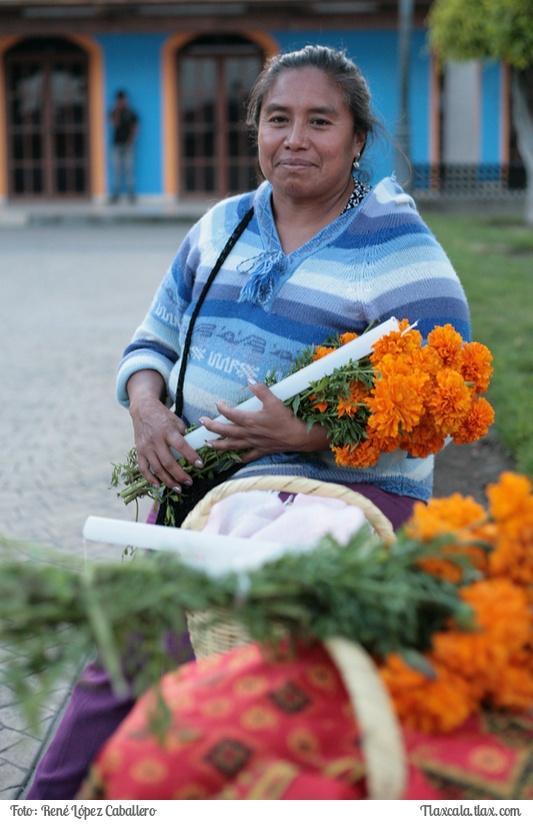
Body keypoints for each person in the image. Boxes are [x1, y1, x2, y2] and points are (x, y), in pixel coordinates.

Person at [27, 44, 471, 800]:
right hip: (203, 492)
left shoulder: (392, 245)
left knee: (199, 653)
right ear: (254, 128)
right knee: (121, 650)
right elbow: (151, 341)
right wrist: (147, 410)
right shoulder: (221, 227)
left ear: (356, 138)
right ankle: (46, 805)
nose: (294, 138)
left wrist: (306, 439)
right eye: (278, 119)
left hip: (339, 503)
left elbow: (444, 399)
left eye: (319, 121)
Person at [109, 90, 138, 203]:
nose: (122, 102)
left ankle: (131, 195)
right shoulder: (114, 112)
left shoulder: (131, 113)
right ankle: (115, 195)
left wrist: (131, 140)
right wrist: (116, 111)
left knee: (129, 169)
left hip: (128, 145)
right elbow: (114, 126)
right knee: (116, 170)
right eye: (120, 100)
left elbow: (135, 127)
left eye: (123, 99)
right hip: (117, 145)